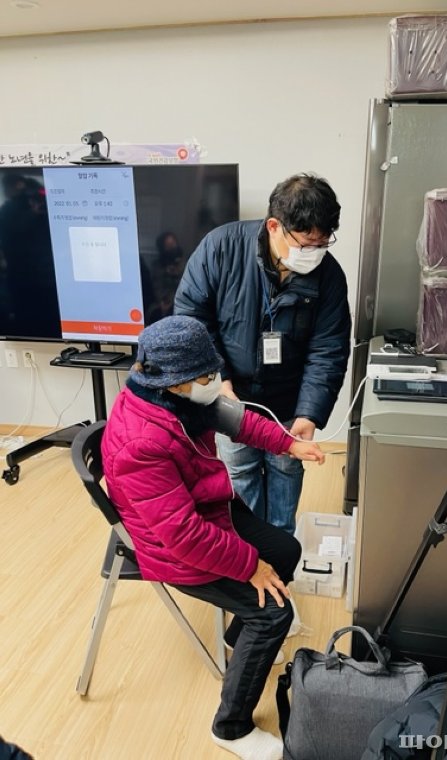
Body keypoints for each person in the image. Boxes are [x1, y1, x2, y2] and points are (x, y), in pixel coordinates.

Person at [102, 315, 325, 760]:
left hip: (208, 509)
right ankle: (232, 727)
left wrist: (287, 444)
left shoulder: (177, 399)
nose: (215, 382)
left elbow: (237, 421)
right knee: (274, 615)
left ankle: (238, 635)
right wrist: (250, 566)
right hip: (175, 549)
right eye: (206, 376)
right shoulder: (141, 443)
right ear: (175, 381)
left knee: (287, 548)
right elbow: (182, 536)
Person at [174, 172, 351, 535]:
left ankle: (281, 549)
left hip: (289, 401)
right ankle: (249, 554)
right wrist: (218, 380)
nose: (314, 253)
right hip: (232, 395)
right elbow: (192, 319)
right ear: (274, 226)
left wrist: (309, 412)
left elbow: (328, 350)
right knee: (239, 472)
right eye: (306, 244)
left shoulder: (329, 276)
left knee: (286, 468)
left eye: (322, 244)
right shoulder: (220, 248)